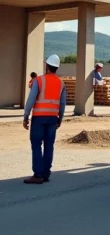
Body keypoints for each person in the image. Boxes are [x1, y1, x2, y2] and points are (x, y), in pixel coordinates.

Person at [23, 54, 66, 185]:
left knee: (36, 145)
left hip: (39, 118)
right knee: (49, 145)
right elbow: (63, 104)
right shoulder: (61, 83)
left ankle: (38, 175)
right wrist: (60, 118)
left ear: (46, 65)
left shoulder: (39, 80)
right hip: (53, 118)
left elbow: (30, 100)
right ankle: (46, 174)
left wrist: (26, 116)